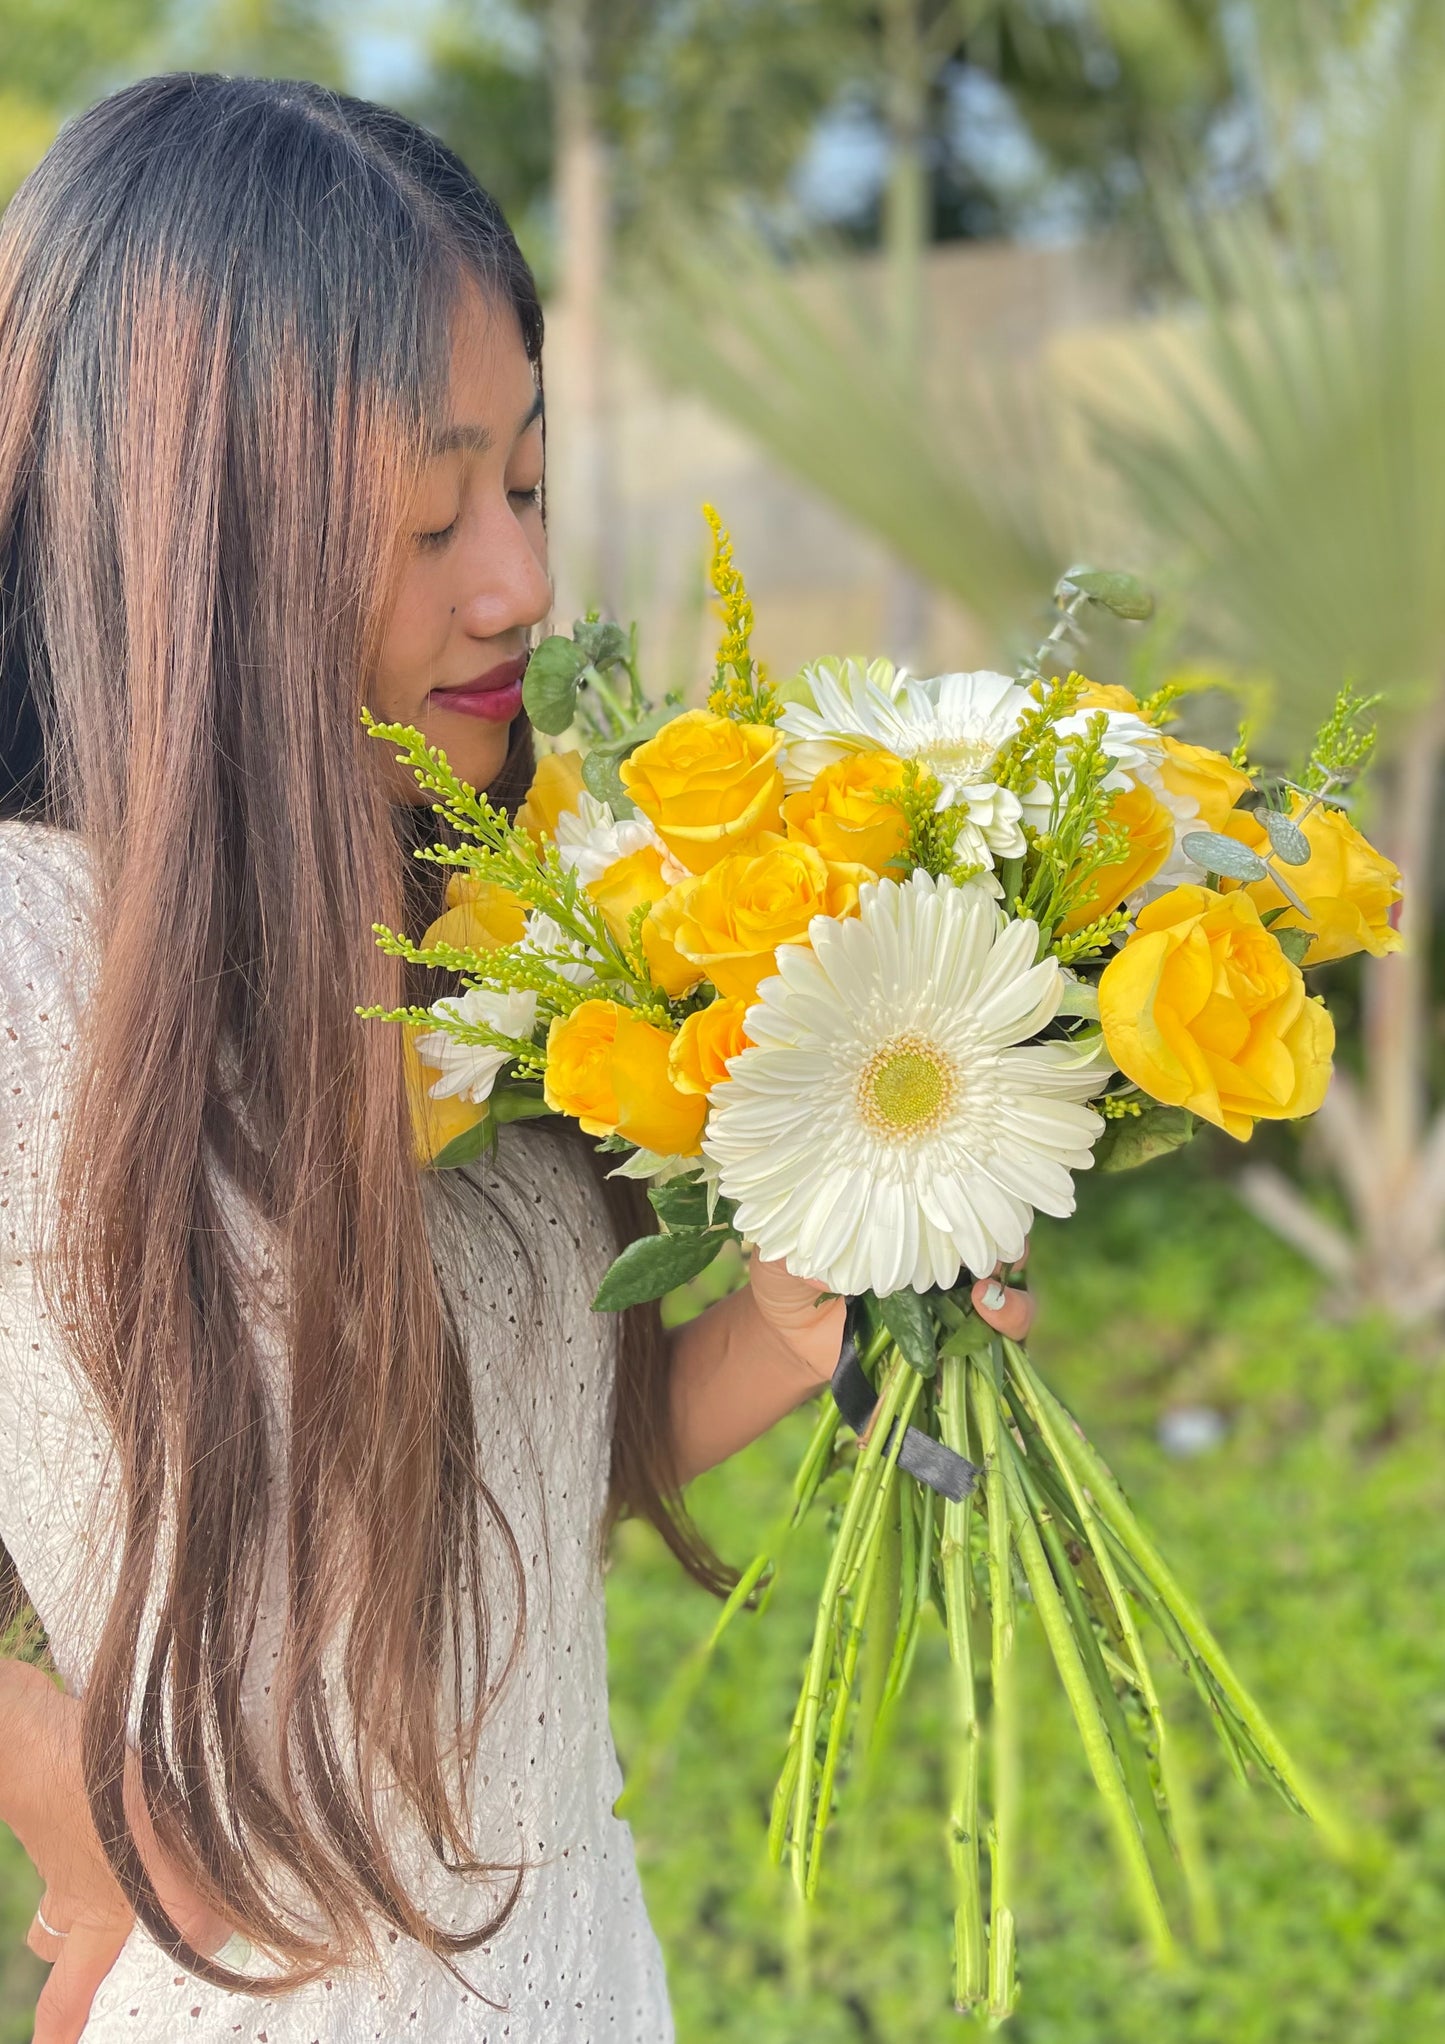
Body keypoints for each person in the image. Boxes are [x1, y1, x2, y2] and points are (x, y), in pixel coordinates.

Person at [0, 73, 1032, 2044]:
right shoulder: (34, 956)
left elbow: (523, 1487)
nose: (523, 587)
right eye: (429, 506)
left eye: (530, 486)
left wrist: (809, 1322)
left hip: (587, 1981)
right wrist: (57, 1781)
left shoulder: (490, 910)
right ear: (197, 518)